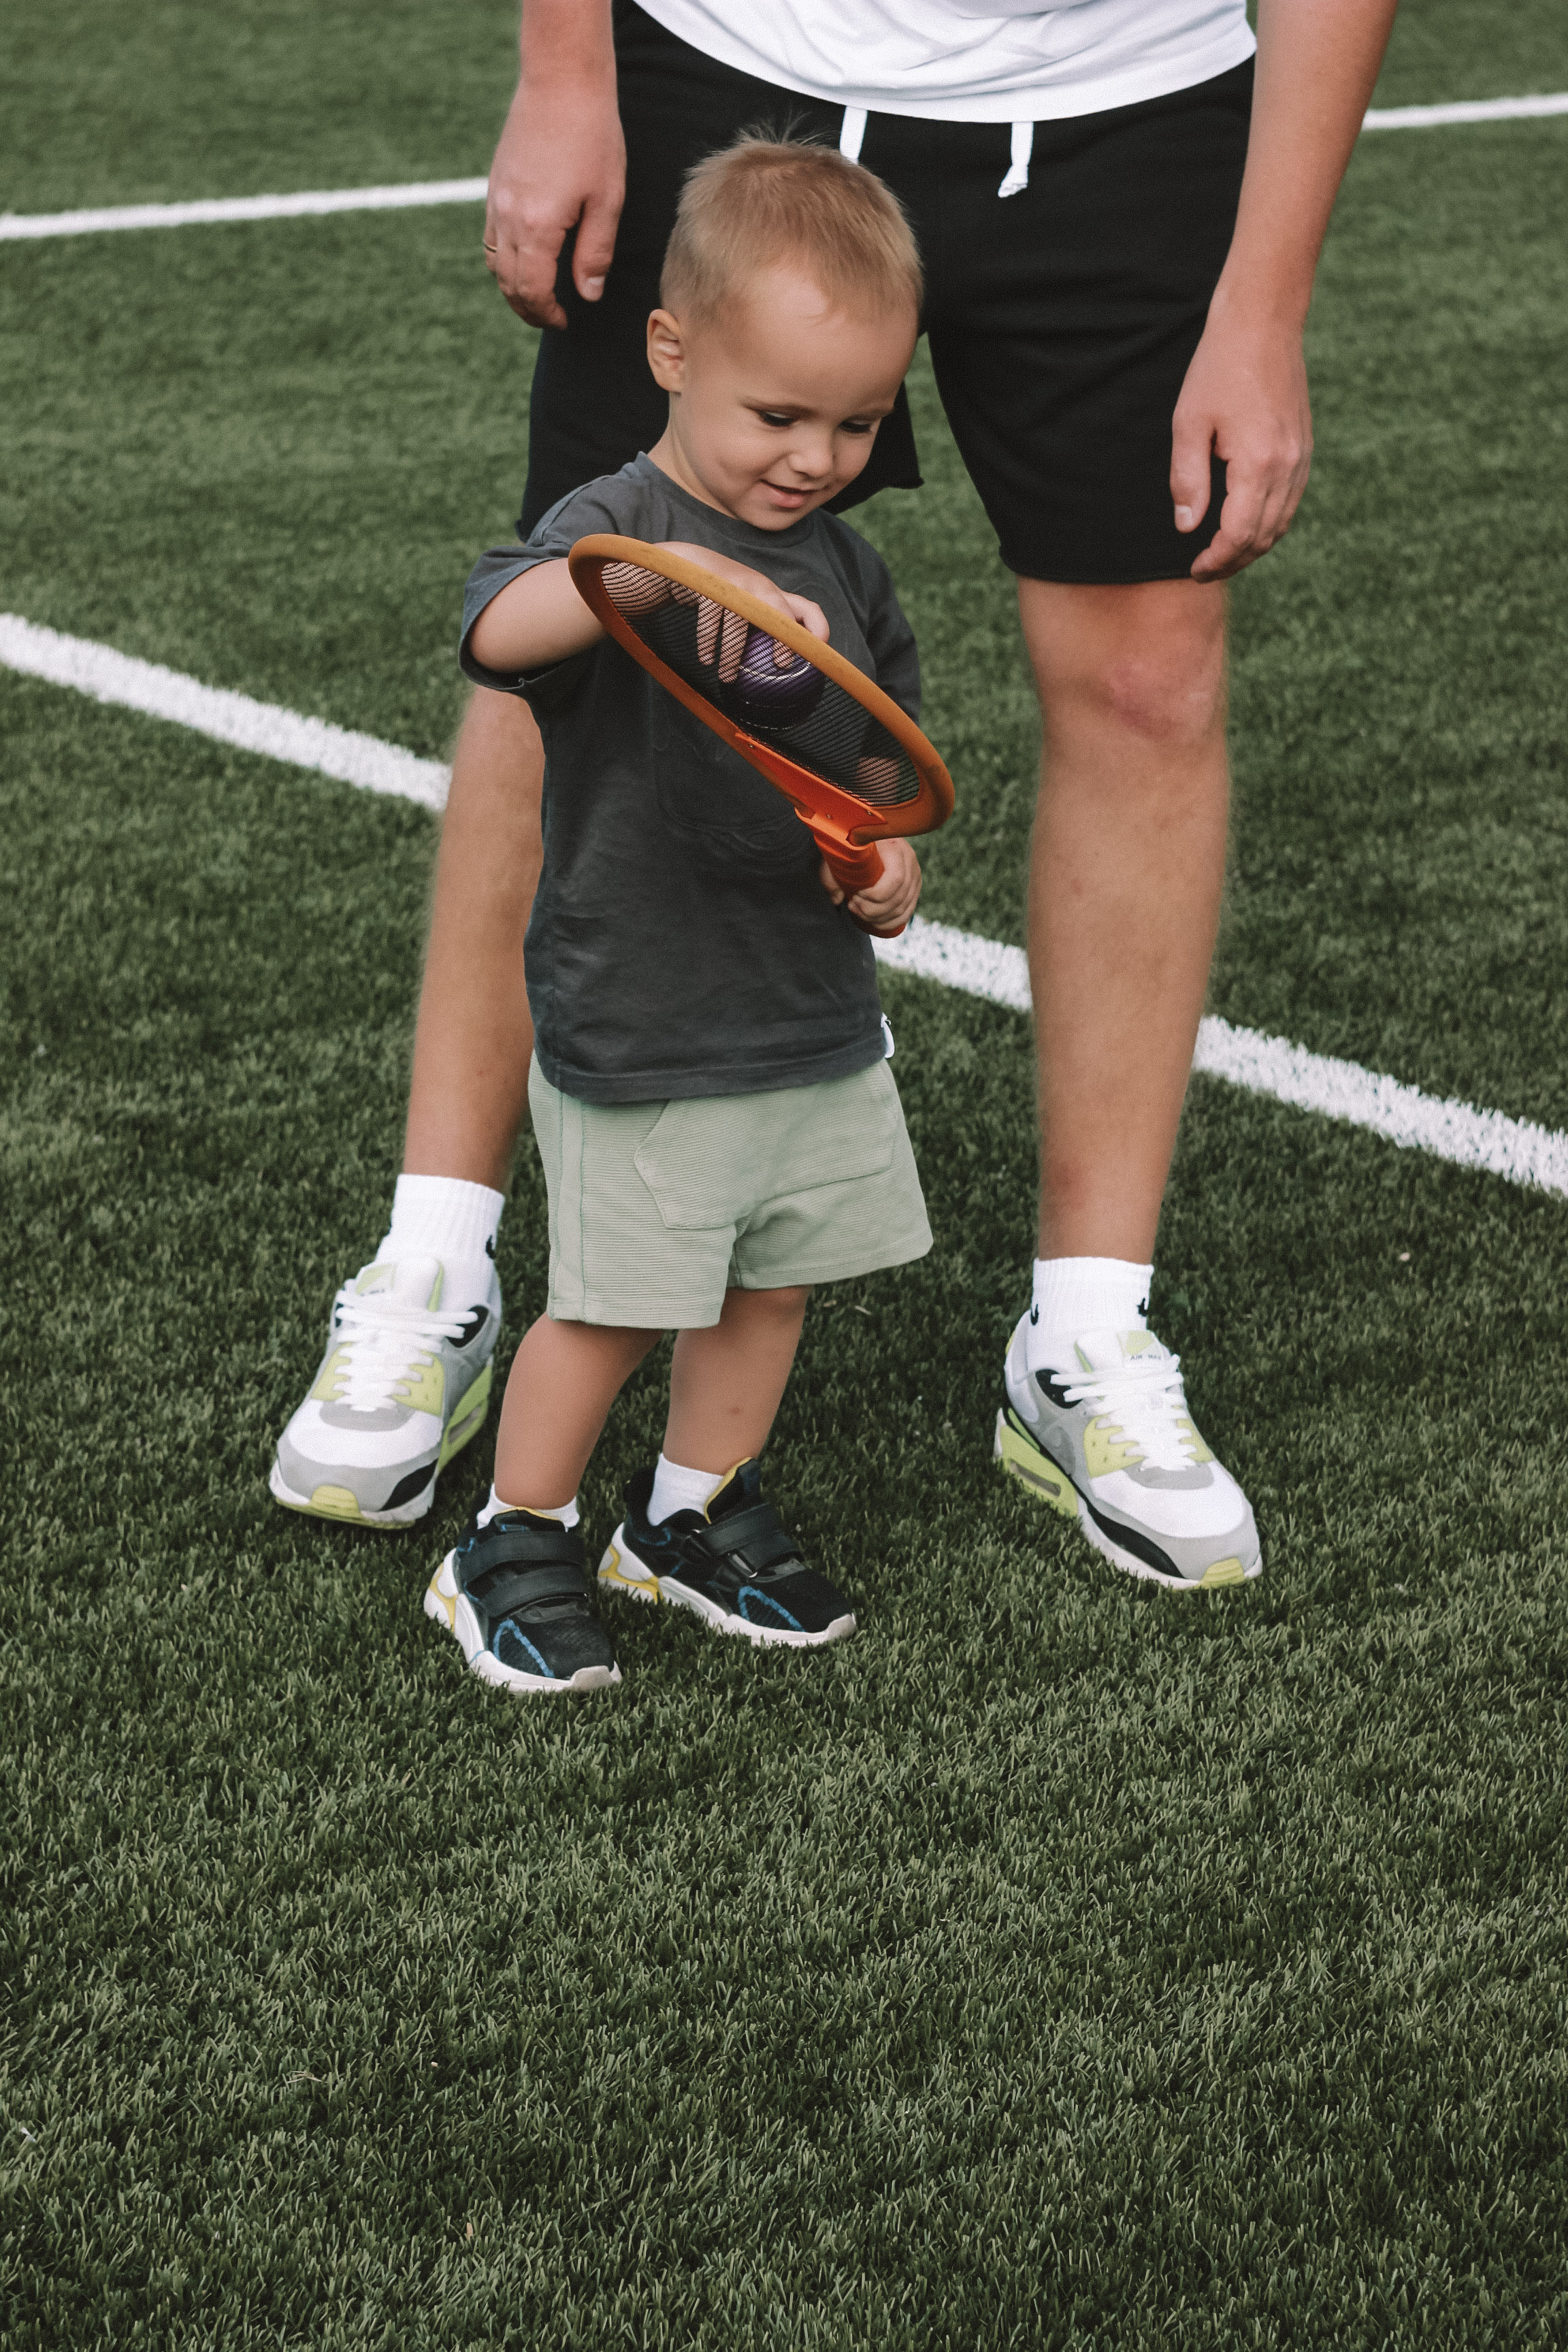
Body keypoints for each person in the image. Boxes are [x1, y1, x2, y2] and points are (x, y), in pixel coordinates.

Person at [273, 0, 1399, 1592]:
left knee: (1150, 677)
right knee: (581, 642)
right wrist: (564, 67)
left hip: (1129, 103)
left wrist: (1265, 301)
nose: (825, 456)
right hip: (728, 56)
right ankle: (432, 1267)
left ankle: (1087, 1329)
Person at [420, 138, 932, 1694]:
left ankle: (688, 1516)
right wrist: (641, 579)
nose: (814, 455)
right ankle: (511, 1535)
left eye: (853, 421)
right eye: (776, 414)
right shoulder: (619, 521)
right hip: (644, 1007)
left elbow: (880, 767)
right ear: (673, 351)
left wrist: (888, 872)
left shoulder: (848, 566)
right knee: (616, 1303)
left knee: (772, 1281)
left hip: (805, 1008)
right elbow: (496, 629)